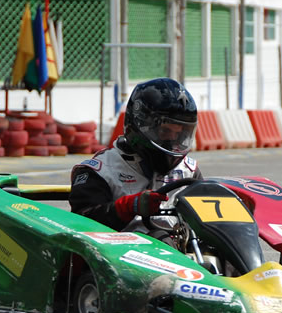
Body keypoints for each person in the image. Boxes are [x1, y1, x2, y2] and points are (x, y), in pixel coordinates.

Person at [69, 77, 201, 233]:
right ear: (140, 124)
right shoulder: (101, 171)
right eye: (165, 131)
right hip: (122, 251)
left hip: (182, 251)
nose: (172, 139)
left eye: (179, 133)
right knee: (159, 235)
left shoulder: (188, 171)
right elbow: (82, 224)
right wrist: (128, 207)